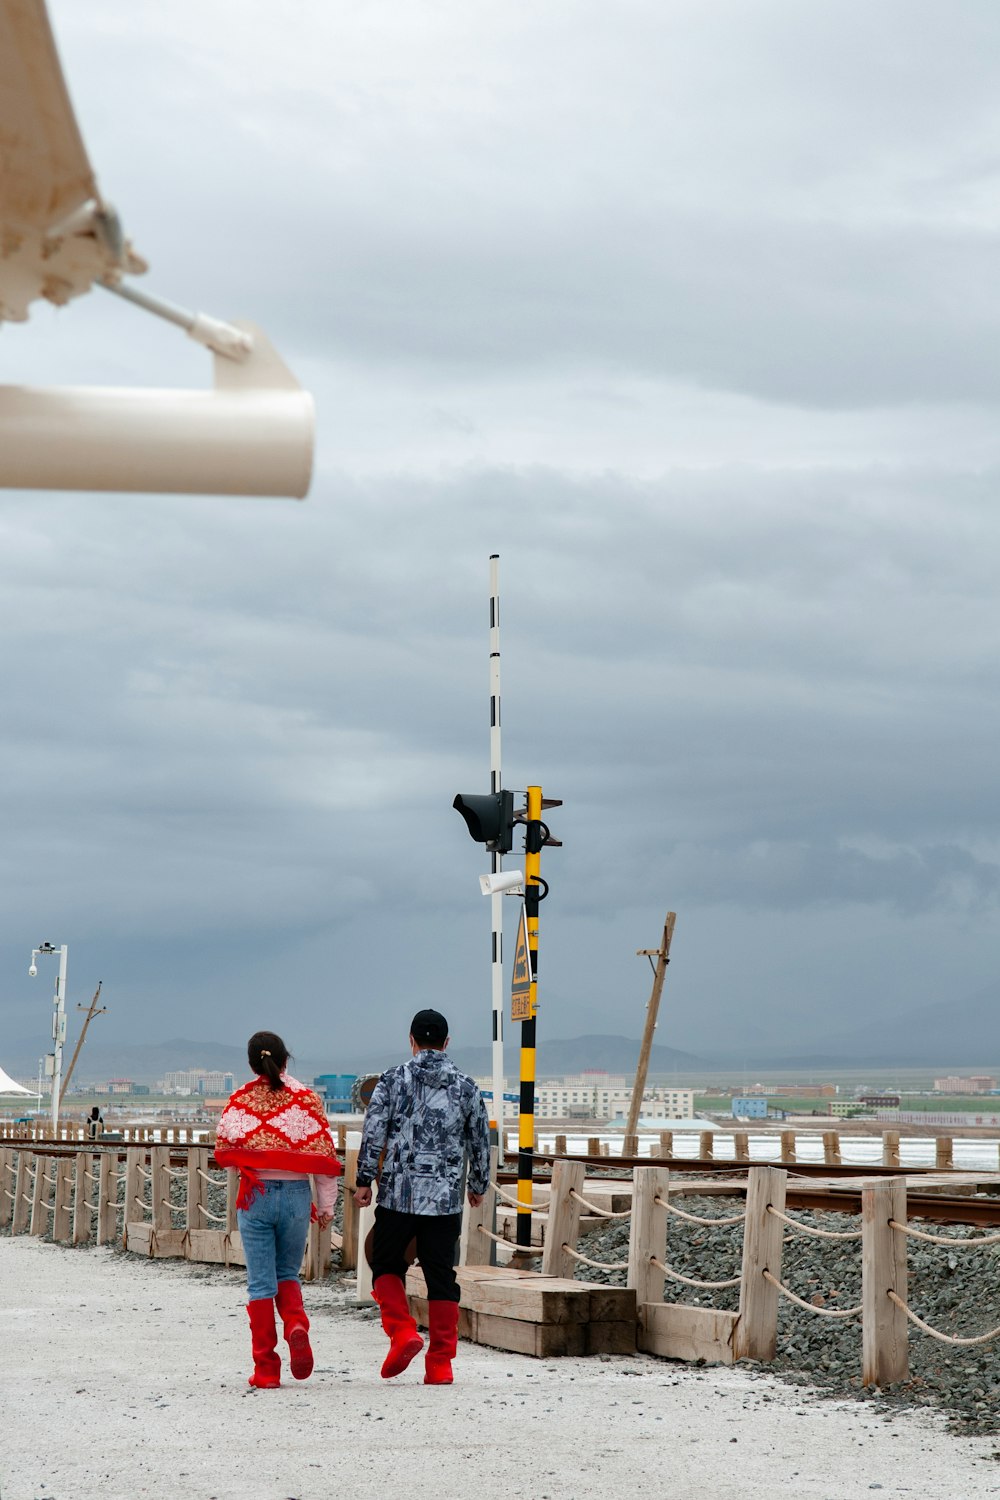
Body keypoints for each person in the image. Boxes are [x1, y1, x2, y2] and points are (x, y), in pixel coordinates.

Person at [354, 1008, 490, 1385]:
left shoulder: (392, 1080)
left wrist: (364, 1179)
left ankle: (401, 1332)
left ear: (411, 1041)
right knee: (441, 1274)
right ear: (446, 1043)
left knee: (385, 1263)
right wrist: (478, 1184)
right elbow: (480, 1139)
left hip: (398, 1193)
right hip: (445, 1198)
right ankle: (441, 1363)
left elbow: (374, 1131)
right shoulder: (466, 1086)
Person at [214, 1031, 342, 1389]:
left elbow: (225, 1153)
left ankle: (267, 1370)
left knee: (259, 1284)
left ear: (253, 1064)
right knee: (288, 1272)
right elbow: (323, 1159)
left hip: (255, 1194)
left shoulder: (240, 1099)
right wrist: (327, 1207)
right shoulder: (307, 1099)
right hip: (298, 1196)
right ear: (287, 1059)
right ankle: (296, 1324)